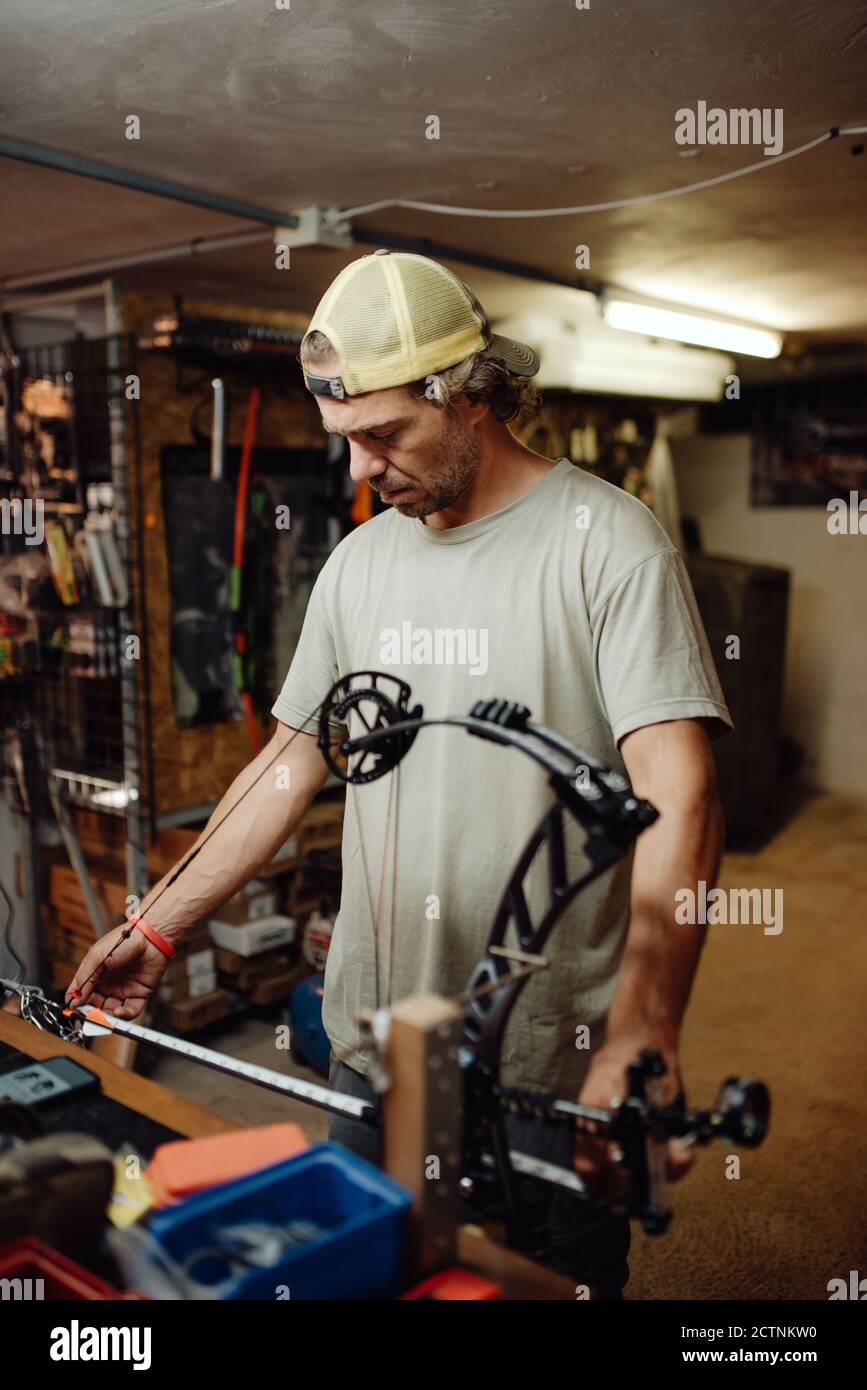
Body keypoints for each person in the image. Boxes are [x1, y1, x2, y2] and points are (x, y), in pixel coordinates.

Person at [67, 250, 731, 1296]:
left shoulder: (610, 544)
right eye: (345, 442)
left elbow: (680, 798)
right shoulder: (360, 565)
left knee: (541, 1285)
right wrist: (156, 924)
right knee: (371, 1276)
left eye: (383, 436)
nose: (359, 472)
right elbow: (289, 765)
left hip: (554, 1064)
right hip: (372, 1047)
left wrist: (647, 1026)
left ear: (471, 396)